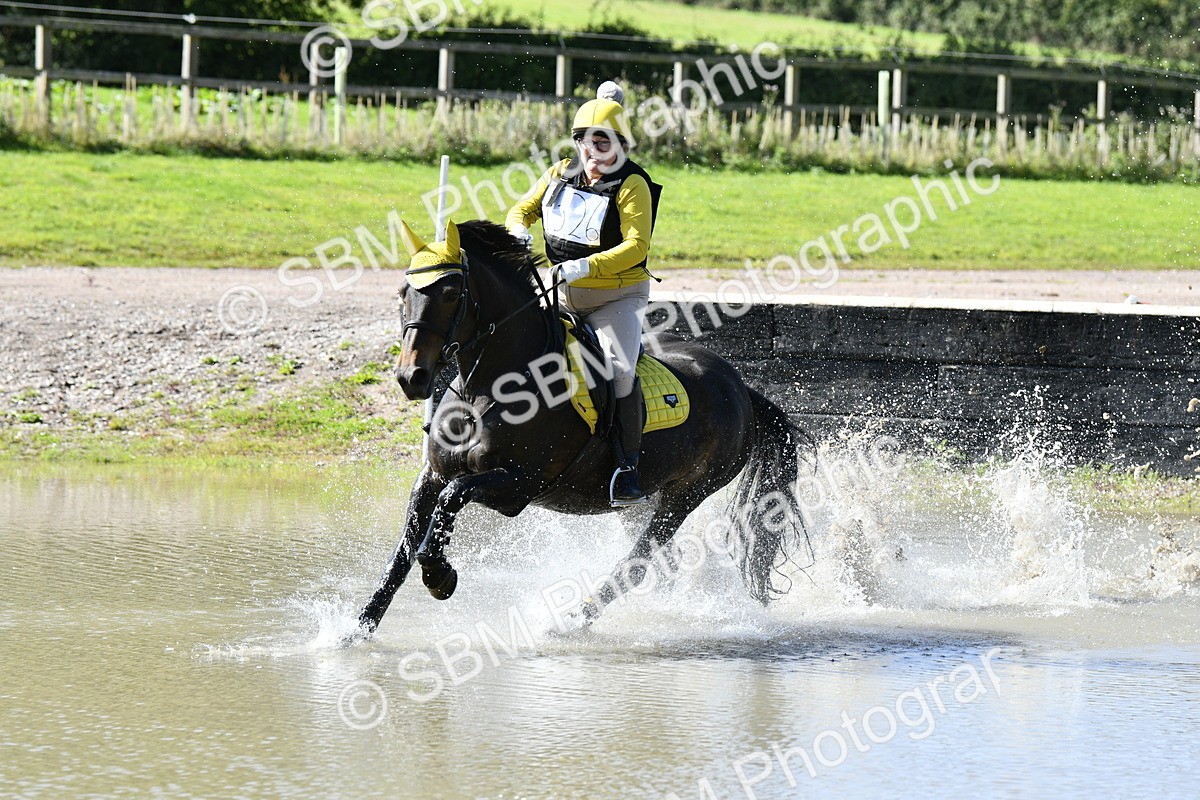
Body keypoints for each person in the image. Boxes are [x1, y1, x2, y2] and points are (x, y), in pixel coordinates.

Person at [505, 81, 661, 507]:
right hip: (559, 292)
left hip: (614, 298)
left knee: (620, 368)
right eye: (586, 142)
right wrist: (517, 228)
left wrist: (581, 267)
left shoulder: (633, 185)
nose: (593, 151)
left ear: (619, 143)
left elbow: (637, 246)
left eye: (602, 142)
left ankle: (627, 468)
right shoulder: (559, 173)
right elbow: (523, 208)